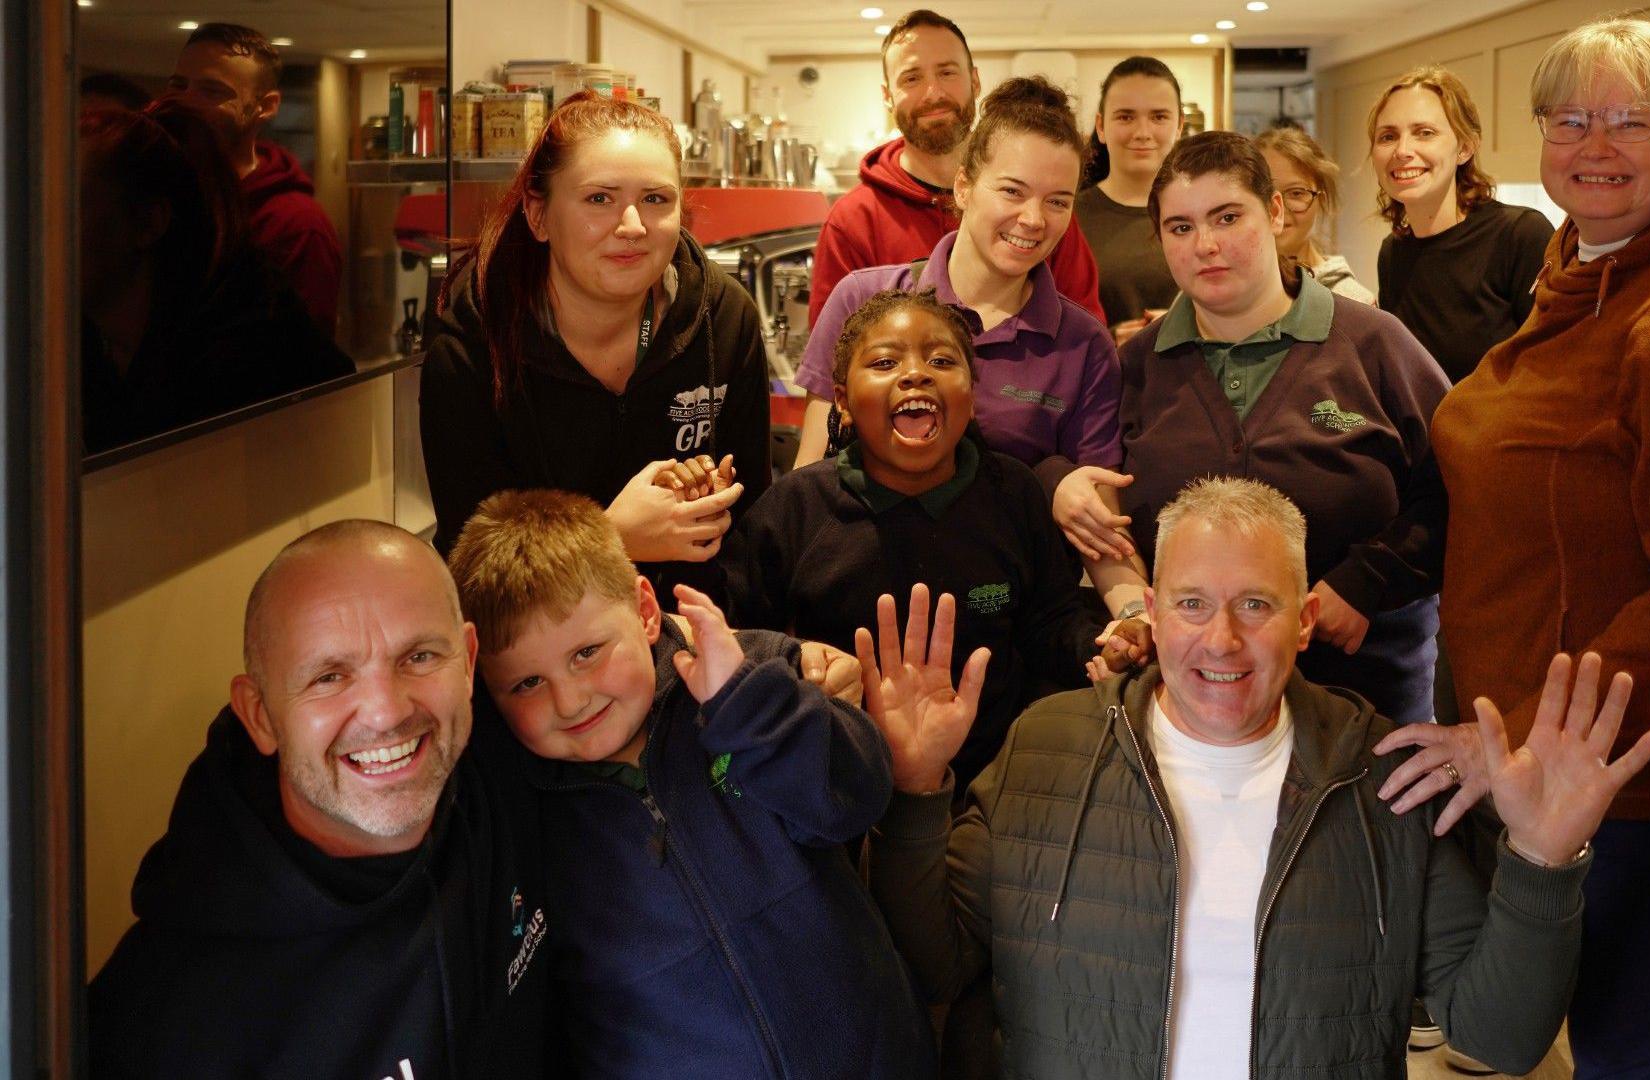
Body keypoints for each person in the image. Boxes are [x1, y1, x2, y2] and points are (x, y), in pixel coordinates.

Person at [860, 476, 1650, 1079]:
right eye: (1190, 604)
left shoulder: (1386, 778)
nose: (1220, 640)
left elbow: (1501, 1038)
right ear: (1149, 609)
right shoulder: (1045, 748)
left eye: (1254, 605)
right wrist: (915, 792)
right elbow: (938, 963)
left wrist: (1541, 861)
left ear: (1305, 619)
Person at [1379, 17, 1650, 1078]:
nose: (1595, 144)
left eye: (1632, 119)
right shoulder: (1598, 266)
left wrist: (1519, 740)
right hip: (1590, 791)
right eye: (1569, 120)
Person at [447, 488, 937, 1079]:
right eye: (526, 683)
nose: (570, 699)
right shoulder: (517, 806)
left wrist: (751, 708)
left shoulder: (747, 670)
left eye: (587, 652)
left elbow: (857, 794)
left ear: (646, 612)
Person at [87, 521, 554, 1078]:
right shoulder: (163, 1019)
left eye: (421, 657)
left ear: (470, 662)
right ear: (260, 716)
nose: (387, 711)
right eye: (329, 677)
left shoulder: (513, 769)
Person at [1067, 131, 1450, 727]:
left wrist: (1369, 578)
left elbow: (1454, 490)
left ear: (1274, 212)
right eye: (1181, 227)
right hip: (1196, 706)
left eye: (1227, 217)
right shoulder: (1136, 367)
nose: (1207, 245)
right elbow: (1105, 513)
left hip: (1366, 699)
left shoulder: (1376, 344)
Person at [727, 290, 1109, 791]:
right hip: (834, 783)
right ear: (842, 401)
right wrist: (800, 667)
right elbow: (739, 642)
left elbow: (1050, 622)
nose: (915, 373)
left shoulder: (1013, 493)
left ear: (971, 397)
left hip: (989, 786)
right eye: (885, 361)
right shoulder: (794, 510)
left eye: (941, 360)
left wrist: (1102, 646)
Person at [423, 92, 768, 610]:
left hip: (697, 633)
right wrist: (612, 538)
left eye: (656, 199)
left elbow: (755, 527)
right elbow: (472, 574)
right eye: (599, 198)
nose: (632, 226)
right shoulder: (472, 347)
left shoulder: (726, 318)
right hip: (542, 651)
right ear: (538, 217)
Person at [792, 76, 1120, 500]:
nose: (1034, 219)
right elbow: (810, 478)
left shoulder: (1084, 344)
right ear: (963, 187)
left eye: (1058, 201)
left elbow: (1100, 515)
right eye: (1012, 191)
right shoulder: (861, 300)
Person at [807, 9, 1104, 335]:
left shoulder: (1040, 204)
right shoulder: (853, 221)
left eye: (947, 73)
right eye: (911, 78)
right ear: (887, 97)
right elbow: (836, 361)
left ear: (974, 81)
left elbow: (1082, 336)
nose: (934, 93)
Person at [79, 101, 352, 453]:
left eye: (67, 207)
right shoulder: (77, 345)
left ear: (149, 223)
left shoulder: (247, 360)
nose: (36, 236)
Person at [1367, 65, 1554, 383]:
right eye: (1388, 136)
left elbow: (1551, 369)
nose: (1402, 151)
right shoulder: (1392, 253)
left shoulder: (1520, 234)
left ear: (1465, 148)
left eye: (1424, 133)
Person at [167, 23, 343, 333]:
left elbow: (307, 363)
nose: (186, 102)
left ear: (266, 106)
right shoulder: (157, 193)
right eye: (179, 85)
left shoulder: (295, 224)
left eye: (211, 90)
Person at [1078, 57, 1183, 341]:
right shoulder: (1067, 217)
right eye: (1125, 116)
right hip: (1099, 382)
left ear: (1179, 126)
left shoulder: (1206, 214)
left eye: (1159, 117)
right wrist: (1107, 343)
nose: (1142, 133)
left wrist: (1189, 327)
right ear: (1101, 126)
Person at [1253, 126, 1375, 304]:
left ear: (1321, 201)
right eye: (1265, 193)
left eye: (1296, 193)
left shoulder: (1353, 301)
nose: (1278, 209)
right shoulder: (1231, 289)